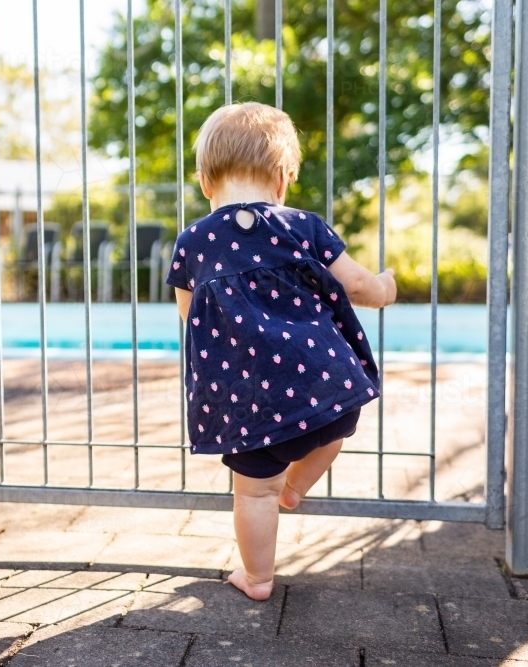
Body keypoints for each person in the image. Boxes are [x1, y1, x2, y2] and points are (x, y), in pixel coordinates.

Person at [165, 102, 396, 601]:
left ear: (206, 182)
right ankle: (298, 486)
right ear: (283, 180)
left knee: (252, 494)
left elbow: (190, 313)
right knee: (340, 420)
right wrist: (384, 287)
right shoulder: (302, 226)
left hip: (246, 397)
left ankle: (258, 578)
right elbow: (355, 283)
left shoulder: (194, 242)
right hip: (317, 382)